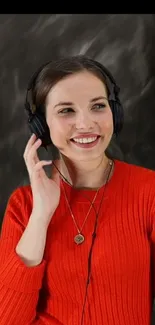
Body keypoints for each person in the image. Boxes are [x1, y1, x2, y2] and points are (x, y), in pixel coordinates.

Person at [0, 55, 155, 325]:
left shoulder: (149, 191)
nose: (85, 124)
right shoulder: (23, 205)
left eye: (98, 106)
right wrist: (40, 215)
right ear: (41, 125)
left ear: (114, 112)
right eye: (66, 110)